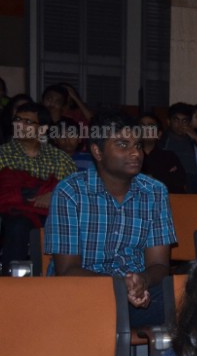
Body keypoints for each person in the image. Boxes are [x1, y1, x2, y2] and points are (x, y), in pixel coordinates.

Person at [45, 111, 176, 327]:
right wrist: (119, 285)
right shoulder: (70, 192)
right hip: (83, 293)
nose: (136, 153)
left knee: (193, 300)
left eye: (138, 145)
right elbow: (67, 270)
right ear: (97, 151)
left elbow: (159, 264)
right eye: (123, 145)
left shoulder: (155, 192)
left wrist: (142, 280)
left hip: (138, 292)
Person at [0, 102, 78, 271]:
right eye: (18, 120)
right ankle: (10, 285)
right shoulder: (2, 154)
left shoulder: (60, 158)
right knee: (18, 224)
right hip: (12, 215)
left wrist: (53, 195)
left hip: (51, 214)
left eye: (28, 122)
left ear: (42, 130)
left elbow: (74, 193)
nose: (20, 125)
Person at [137, 113, 186, 194]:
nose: (144, 129)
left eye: (150, 126)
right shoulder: (128, 155)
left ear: (159, 134)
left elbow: (179, 184)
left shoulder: (169, 157)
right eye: (141, 126)